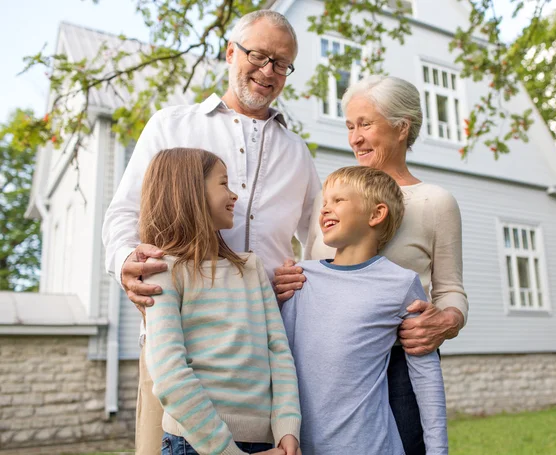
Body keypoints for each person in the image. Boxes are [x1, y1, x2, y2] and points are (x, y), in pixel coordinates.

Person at [101, 10, 320, 455]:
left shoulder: (296, 150)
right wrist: (128, 262)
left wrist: (307, 278)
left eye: (282, 64)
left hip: (262, 354)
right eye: (259, 56)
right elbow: (124, 213)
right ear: (230, 53)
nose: (268, 72)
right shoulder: (171, 125)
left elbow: (322, 238)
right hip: (177, 339)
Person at [274, 75, 467, 455]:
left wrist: (446, 321)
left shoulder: (434, 202)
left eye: (365, 124)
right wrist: (288, 281)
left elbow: (450, 289)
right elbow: (314, 265)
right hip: (325, 366)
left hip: (400, 362)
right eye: (349, 126)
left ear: (401, 127)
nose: (355, 138)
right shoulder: (333, 200)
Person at [140, 147, 301, 455]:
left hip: (268, 444)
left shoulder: (250, 268)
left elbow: (278, 352)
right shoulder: (162, 273)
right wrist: (227, 451)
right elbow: (169, 373)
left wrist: (287, 428)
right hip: (194, 444)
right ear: (189, 190)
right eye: (223, 183)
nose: (233, 195)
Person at [281, 166, 448, 455]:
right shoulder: (298, 279)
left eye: (338, 201)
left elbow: (426, 377)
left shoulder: (400, 283)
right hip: (301, 447)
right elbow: (278, 361)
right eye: (324, 203)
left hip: (372, 446)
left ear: (376, 214)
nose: (324, 210)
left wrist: (438, 451)